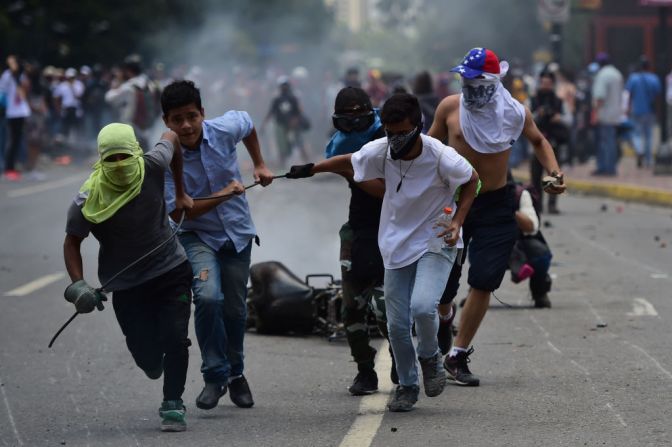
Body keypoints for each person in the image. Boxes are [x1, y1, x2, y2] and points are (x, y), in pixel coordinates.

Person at [287, 93, 480, 412]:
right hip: (396, 244)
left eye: (402, 132)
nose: (395, 140)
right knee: (396, 325)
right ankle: (407, 385)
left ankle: (430, 356)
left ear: (418, 127)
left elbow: (472, 181)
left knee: (421, 307)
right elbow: (348, 161)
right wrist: (310, 169)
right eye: (390, 132)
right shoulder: (381, 150)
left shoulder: (440, 155)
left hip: (437, 238)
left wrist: (458, 221)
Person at [429, 47, 565, 386]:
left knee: (485, 278)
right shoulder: (450, 107)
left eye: (475, 81)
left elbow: (539, 141)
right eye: (464, 80)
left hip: (496, 203)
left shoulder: (514, 113)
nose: (468, 86)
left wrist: (554, 173)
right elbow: (427, 149)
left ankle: (457, 355)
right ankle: (445, 316)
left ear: (492, 82)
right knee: (444, 283)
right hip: (454, 203)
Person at [63, 123, 194, 431]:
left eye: (124, 155)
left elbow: (172, 135)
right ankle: (150, 361)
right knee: (145, 352)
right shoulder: (87, 200)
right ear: (100, 159)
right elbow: (72, 241)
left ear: (136, 150)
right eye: (112, 159)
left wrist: (181, 190)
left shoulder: (153, 164)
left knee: (175, 337)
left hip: (171, 269)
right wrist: (78, 284)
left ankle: (173, 403)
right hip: (126, 284)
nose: (120, 164)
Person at [161, 80, 274, 412]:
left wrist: (259, 164)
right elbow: (179, 210)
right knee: (209, 298)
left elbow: (249, 124)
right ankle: (214, 375)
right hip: (195, 236)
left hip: (237, 234)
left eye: (191, 116)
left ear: (202, 114)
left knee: (236, 310)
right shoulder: (164, 157)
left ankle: (236, 375)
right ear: (166, 121)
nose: (186, 126)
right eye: (177, 119)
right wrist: (225, 192)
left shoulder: (224, 128)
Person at [325, 86, 395, 395]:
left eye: (359, 117)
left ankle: (400, 359)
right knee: (351, 308)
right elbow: (336, 165)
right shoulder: (339, 146)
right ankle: (365, 370)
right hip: (357, 228)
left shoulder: (392, 136)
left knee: (386, 307)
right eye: (346, 119)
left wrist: (352, 172)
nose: (353, 125)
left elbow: (386, 189)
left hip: (392, 228)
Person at [507, 174, 553, 308]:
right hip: (489, 243)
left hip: (520, 241)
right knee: (477, 253)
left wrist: (510, 211)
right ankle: (474, 292)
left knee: (542, 254)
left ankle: (539, 292)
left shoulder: (519, 194)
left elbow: (532, 227)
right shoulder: (479, 192)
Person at [105, 54, 161, 150]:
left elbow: (109, 98)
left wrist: (117, 81)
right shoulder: (150, 84)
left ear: (128, 70)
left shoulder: (129, 87)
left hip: (130, 132)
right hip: (147, 129)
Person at [530, 70, 567, 214]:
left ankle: (552, 204)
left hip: (553, 141)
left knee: (554, 172)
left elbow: (568, 119)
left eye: (549, 83)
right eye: (543, 82)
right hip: (537, 142)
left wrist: (559, 117)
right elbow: (526, 118)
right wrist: (537, 115)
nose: (546, 85)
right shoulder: (533, 100)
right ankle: (537, 204)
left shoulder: (558, 101)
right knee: (535, 175)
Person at [261, 77, 309, 167]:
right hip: (281, 125)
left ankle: (309, 164)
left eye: (286, 85)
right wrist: (264, 124)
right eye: (283, 86)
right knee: (282, 146)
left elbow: (299, 111)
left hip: (293, 125)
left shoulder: (293, 98)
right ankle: (282, 165)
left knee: (299, 143)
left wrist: (295, 120)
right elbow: (271, 112)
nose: (284, 87)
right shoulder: (277, 99)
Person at [625, 56, 662, 168]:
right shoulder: (654, 78)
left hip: (636, 110)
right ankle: (649, 160)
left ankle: (639, 150)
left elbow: (628, 95)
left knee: (637, 133)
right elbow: (658, 96)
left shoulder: (633, 78)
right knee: (649, 136)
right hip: (650, 111)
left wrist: (627, 108)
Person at [591, 52, 624, 176]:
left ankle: (605, 167)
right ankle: (611, 166)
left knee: (604, 142)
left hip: (604, 114)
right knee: (611, 142)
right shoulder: (617, 74)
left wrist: (594, 114)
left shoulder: (602, 75)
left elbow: (600, 97)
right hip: (615, 113)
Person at [0, 55, 31, 180]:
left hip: (21, 112)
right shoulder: (7, 75)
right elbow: (2, 90)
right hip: (12, 113)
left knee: (18, 140)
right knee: (11, 141)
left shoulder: (21, 76)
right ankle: (8, 167)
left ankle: (14, 165)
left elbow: (24, 92)